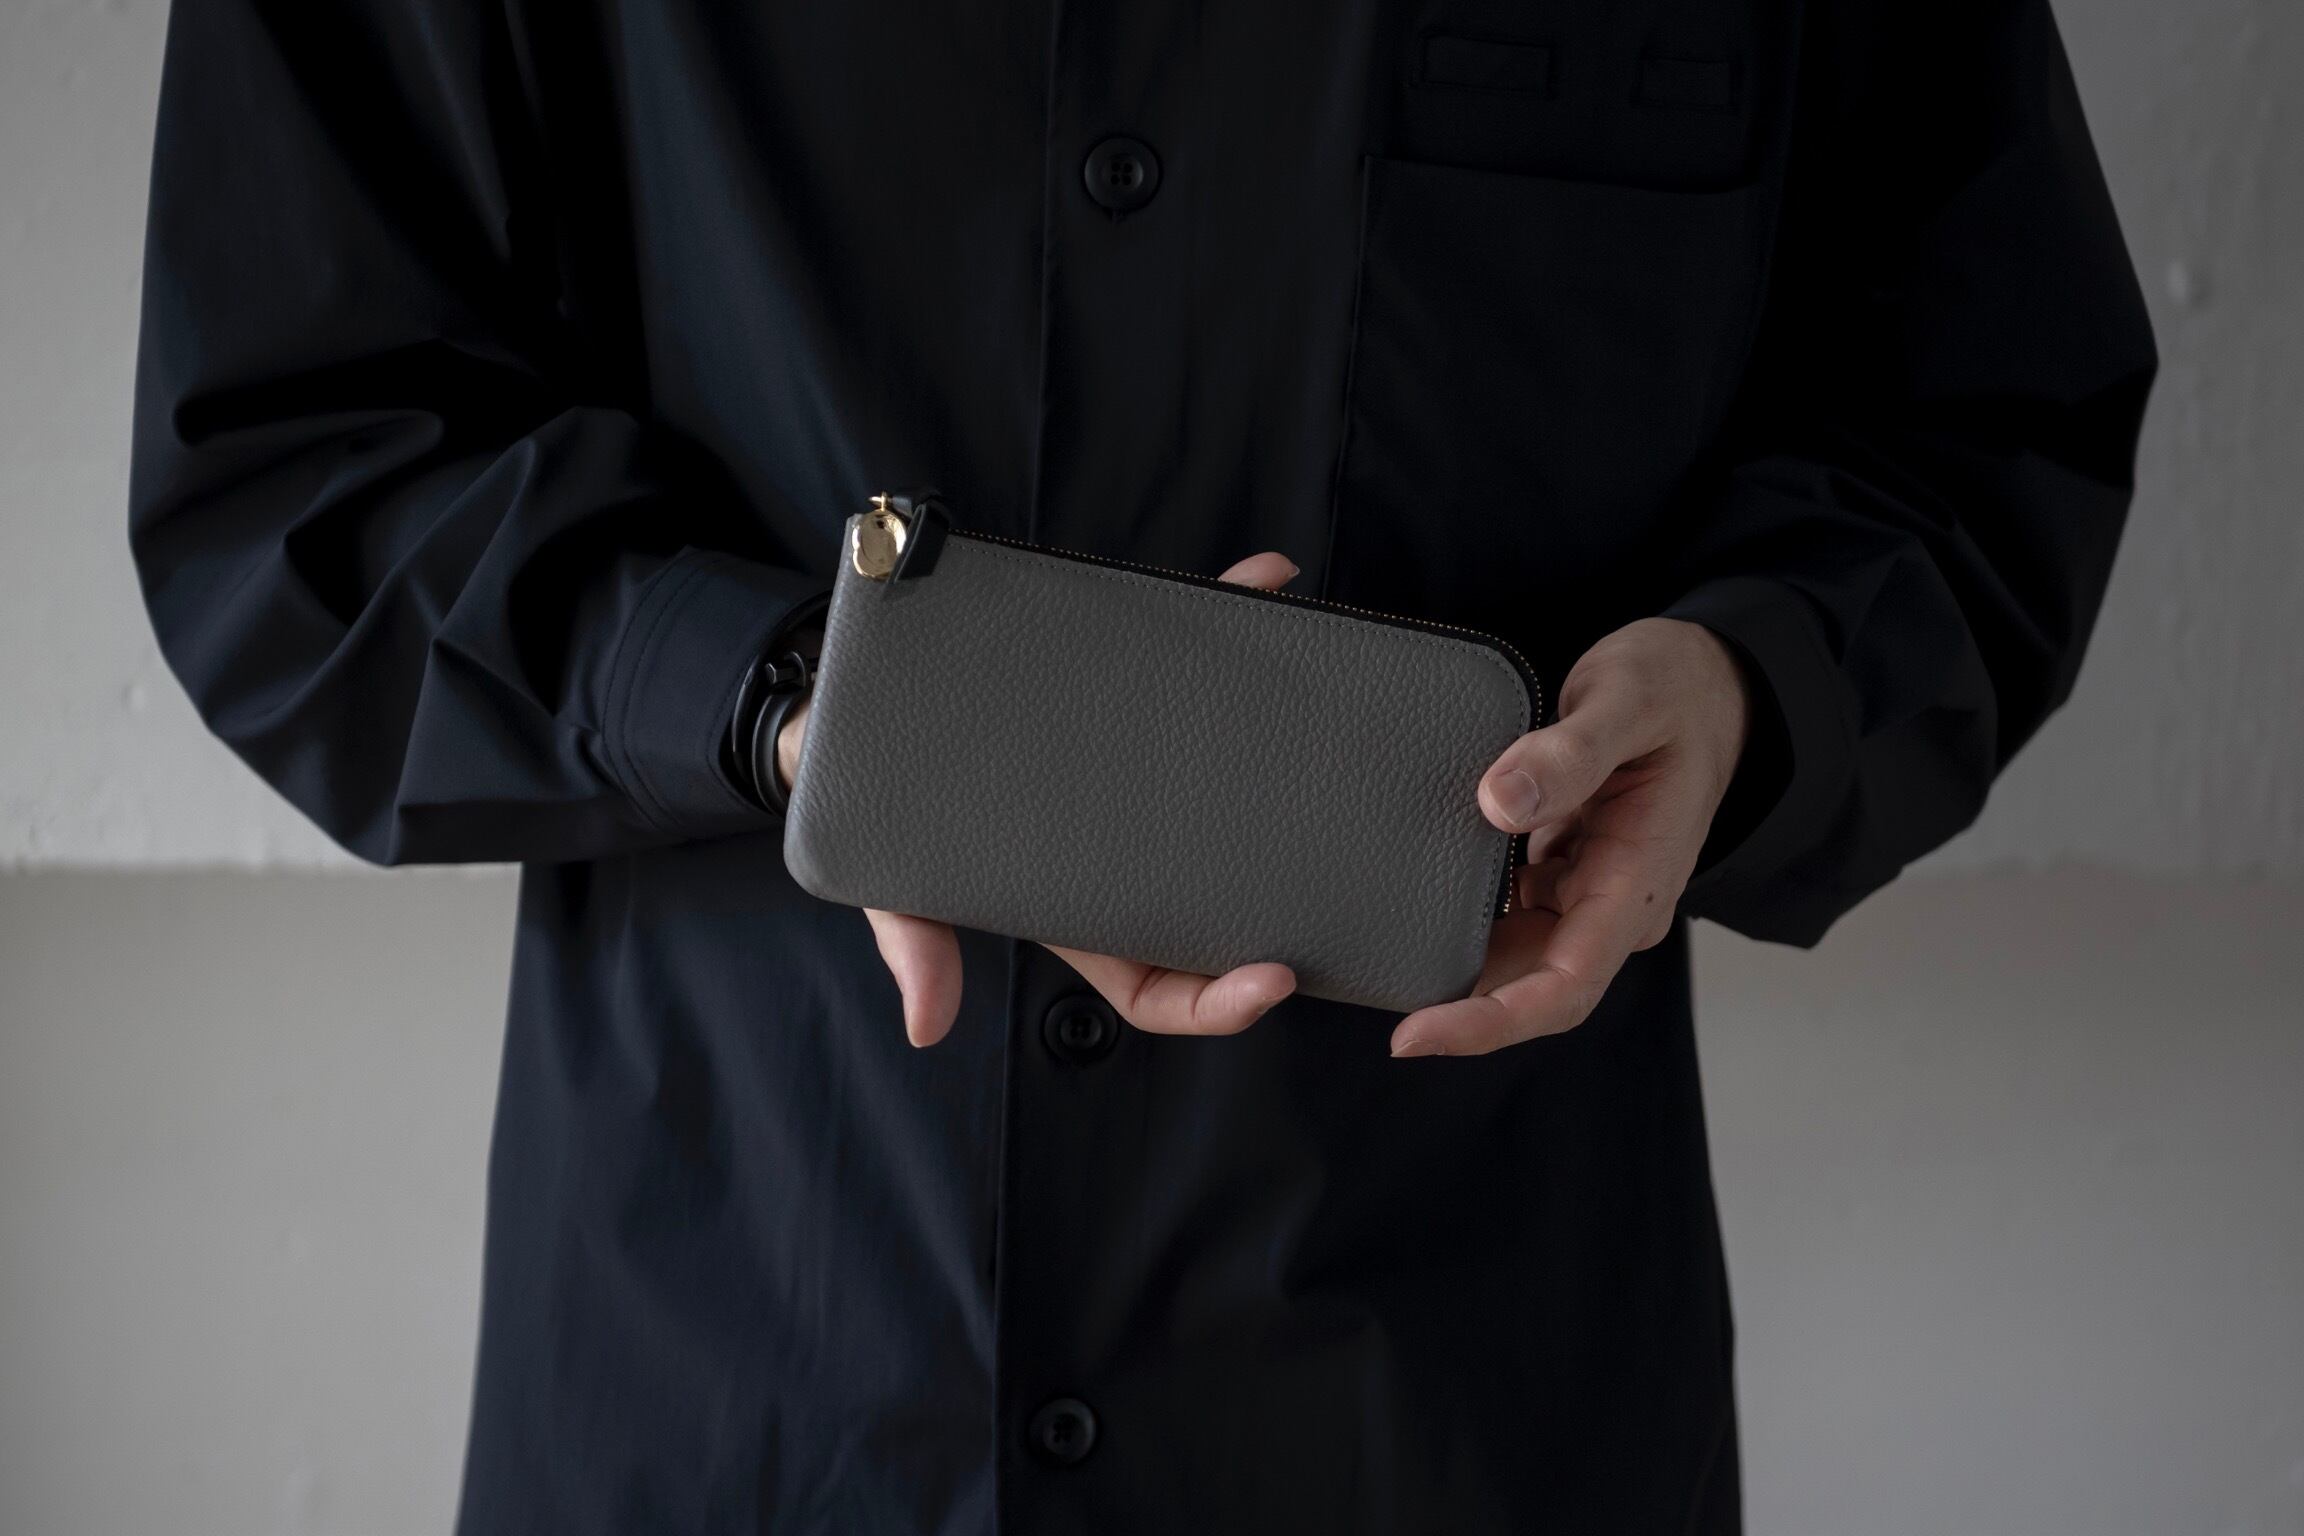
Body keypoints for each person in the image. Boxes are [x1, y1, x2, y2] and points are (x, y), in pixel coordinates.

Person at [126, 0, 2154, 1530]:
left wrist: (1753, 687)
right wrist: (800, 709)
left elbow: (1982, 426)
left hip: (1464, 1404)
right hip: (741, 1378)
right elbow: (298, 465)